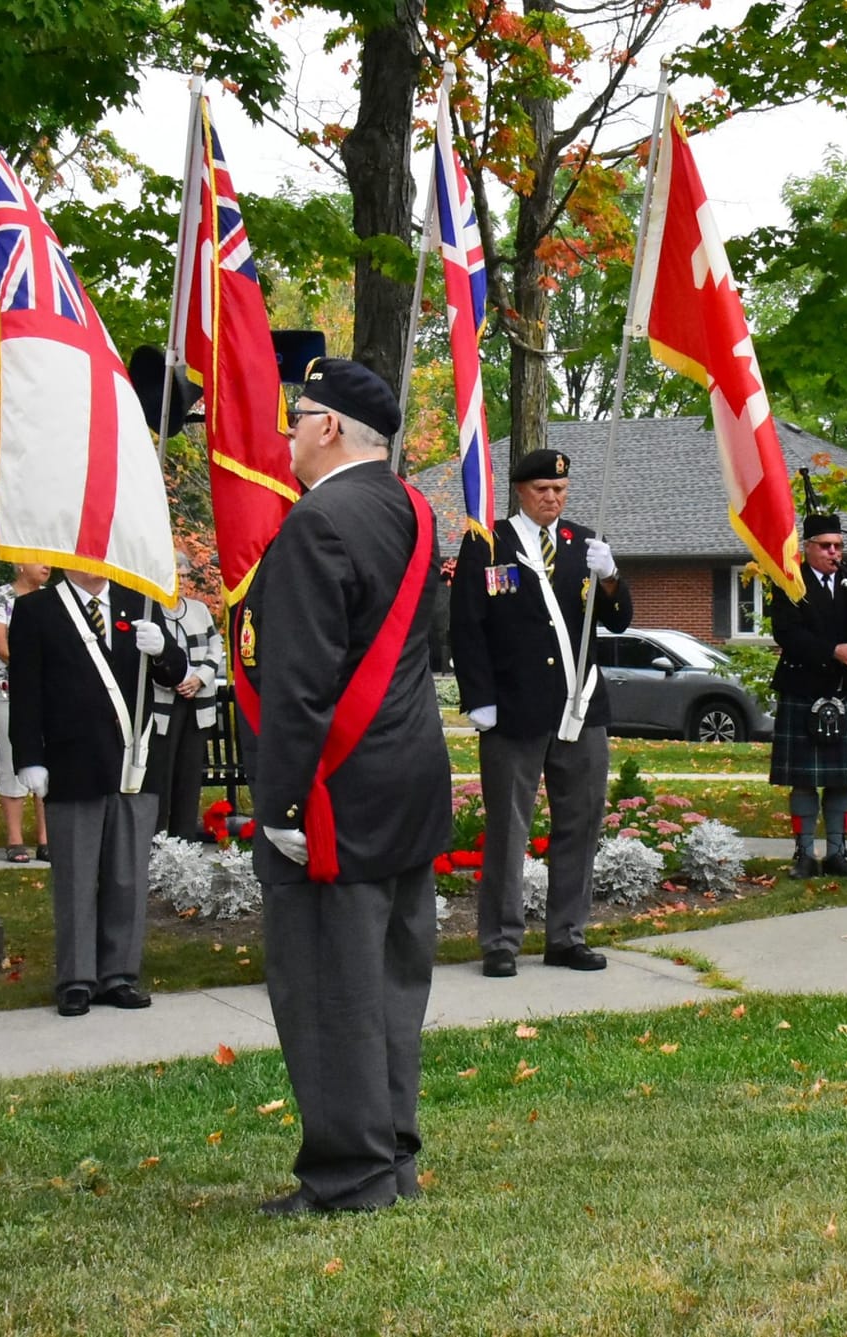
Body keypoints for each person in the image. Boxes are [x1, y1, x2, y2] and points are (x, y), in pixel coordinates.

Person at [249, 357, 451, 1216]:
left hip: (335, 791)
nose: (288, 433)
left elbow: (297, 684)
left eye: (298, 416)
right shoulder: (413, 508)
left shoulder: (318, 523)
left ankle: (348, 1175)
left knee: (331, 991)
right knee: (393, 985)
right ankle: (392, 1154)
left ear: (329, 426)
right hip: (410, 774)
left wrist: (282, 805)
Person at [449, 447, 633, 978]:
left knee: (581, 824)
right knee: (509, 829)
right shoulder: (488, 544)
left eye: (560, 490)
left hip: (580, 707)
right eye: (542, 491)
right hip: (513, 709)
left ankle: (566, 936)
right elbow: (467, 626)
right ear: (521, 493)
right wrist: (477, 697)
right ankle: (501, 942)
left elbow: (618, 621)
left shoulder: (582, 544)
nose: (553, 498)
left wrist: (613, 577)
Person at [7, 566, 187, 1015]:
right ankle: (76, 979)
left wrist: (164, 650)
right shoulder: (37, 609)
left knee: (127, 876)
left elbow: (174, 675)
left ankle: (119, 974)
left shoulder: (139, 602)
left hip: (133, 764)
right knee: (76, 878)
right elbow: (26, 691)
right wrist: (29, 755)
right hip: (73, 763)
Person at [768, 512, 847, 879]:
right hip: (804, 689)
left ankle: (837, 854)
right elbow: (788, 634)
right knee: (805, 779)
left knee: (842, 779)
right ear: (807, 548)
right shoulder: (790, 583)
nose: (833, 552)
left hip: (845, 691)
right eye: (825, 546)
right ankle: (805, 854)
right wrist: (833, 651)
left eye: (838, 546)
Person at [146, 564, 225, 839]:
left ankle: (185, 843)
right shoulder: (150, 612)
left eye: (182, 576)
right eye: (174, 575)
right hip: (164, 707)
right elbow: (143, 660)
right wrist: (172, 680)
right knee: (161, 777)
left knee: (189, 777)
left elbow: (216, 646)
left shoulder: (199, 610)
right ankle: (158, 842)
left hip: (197, 704)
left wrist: (200, 678)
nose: (179, 581)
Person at [0, 561, 52, 862]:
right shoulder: (1, 598)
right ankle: (14, 840)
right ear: (20, 564)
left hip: (50, 692)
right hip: (10, 690)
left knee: (49, 758)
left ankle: (46, 839)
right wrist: (33, 669)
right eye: (39, 559)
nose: (47, 566)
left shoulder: (54, 599)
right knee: (14, 757)